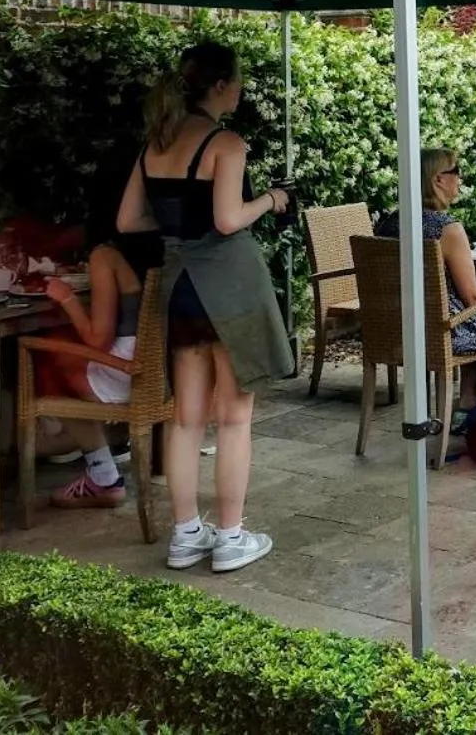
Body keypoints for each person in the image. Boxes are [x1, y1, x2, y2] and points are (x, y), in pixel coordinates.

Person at [118, 42, 292, 574]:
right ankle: (233, 537)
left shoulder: (155, 144)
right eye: (236, 81)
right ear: (219, 86)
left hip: (179, 288)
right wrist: (272, 200)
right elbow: (227, 220)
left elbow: (127, 221)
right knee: (234, 418)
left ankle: (186, 534)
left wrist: (175, 231)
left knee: (187, 419)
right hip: (228, 289)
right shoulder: (227, 143)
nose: (239, 89)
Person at [34, 202, 161, 510]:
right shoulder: (157, 246)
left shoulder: (104, 256)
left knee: (49, 353)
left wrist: (66, 298)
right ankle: (78, 446)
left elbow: (98, 340)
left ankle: (101, 475)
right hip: (160, 367)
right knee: (58, 346)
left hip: (129, 371)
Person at [377, 147, 476, 407]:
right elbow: (472, 297)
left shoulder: (387, 224)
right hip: (441, 333)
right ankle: (473, 398)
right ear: (438, 179)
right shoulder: (448, 230)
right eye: (456, 171)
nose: (460, 178)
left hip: (395, 331)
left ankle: (468, 393)